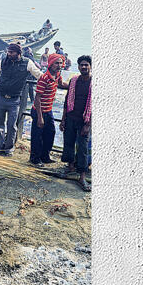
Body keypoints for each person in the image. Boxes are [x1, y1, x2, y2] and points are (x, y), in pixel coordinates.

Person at [0, 43, 42, 155]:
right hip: (0, 97)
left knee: (12, 125)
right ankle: (0, 146)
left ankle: (9, 148)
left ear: (18, 53)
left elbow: (39, 75)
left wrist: (53, 80)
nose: (9, 54)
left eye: (11, 52)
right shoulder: (4, 61)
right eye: (8, 52)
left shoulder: (27, 63)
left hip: (14, 100)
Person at [60, 55, 92, 192]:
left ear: (90, 66)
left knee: (83, 148)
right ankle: (70, 168)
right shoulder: (74, 80)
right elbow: (67, 102)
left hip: (84, 120)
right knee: (68, 143)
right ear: (78, 66)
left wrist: (87, 125)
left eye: (86, 65)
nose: (84, 67)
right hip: (71, 118)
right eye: (81, 65)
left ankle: (82, 176)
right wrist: (63, 119)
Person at [30, 54, 69, 166]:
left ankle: (45, 156)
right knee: (37, 136)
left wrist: (72, 85)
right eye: (56, 63)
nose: (59, 65)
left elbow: (61, 84)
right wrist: (40, 117)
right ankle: (35, 159)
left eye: (61, 63)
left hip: (49, 110)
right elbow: (37, 98)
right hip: (39, 111)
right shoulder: (44, 78)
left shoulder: (57, 75)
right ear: (51, 64)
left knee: (50, 133)